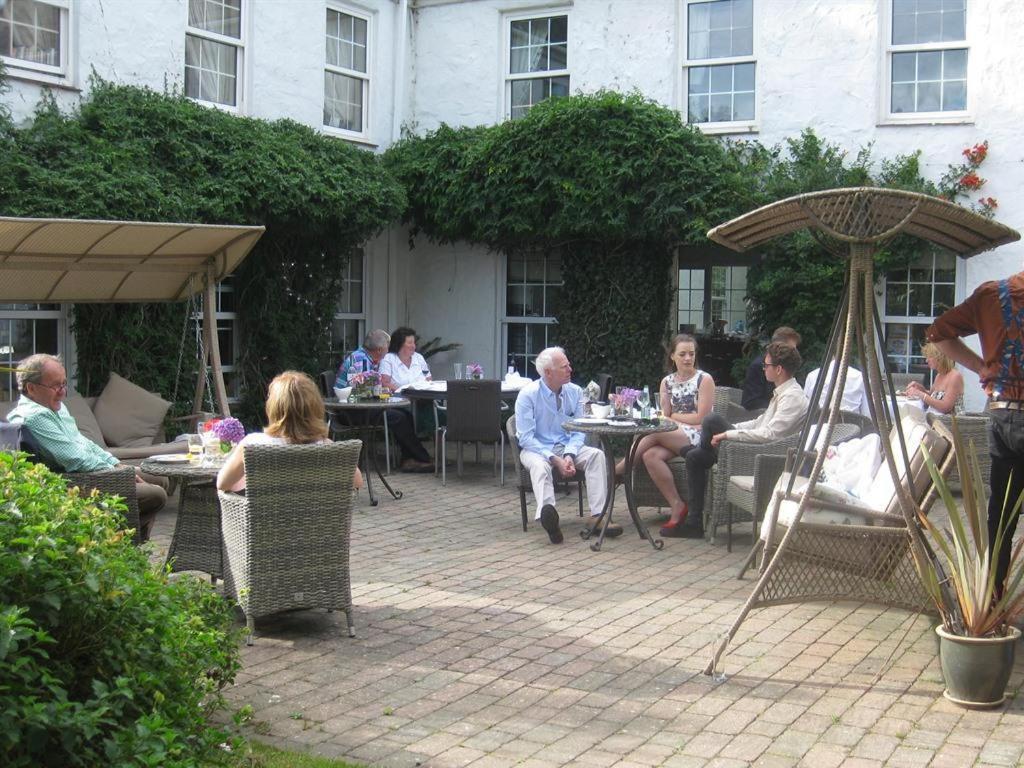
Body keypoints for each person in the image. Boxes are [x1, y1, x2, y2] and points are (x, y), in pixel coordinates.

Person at [927, 271, 1024, 591]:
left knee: (1001, 517)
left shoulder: (991, 294)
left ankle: (991, 602)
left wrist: (982, 367)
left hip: (1002, 416)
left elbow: (938, 333)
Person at [8, 354, 167, 541]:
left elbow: (84, 443)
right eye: (55, 386)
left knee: (159, 477)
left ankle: (124, 535)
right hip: (72, 483)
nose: (63, 392)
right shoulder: (34, 417)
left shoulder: (54, 407)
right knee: (156, 493)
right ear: (31, 388)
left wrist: (117, 465)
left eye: (64, 384)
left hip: (90, 474)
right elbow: (75, 459)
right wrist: (120, 474)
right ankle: (122, 539)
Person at [674, 342, 809, 538]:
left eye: (766, 365)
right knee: (695, 457)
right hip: (753, 449)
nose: (763, 368)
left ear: (778, 369)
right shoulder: (783, 392)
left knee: (710, 420)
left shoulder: (792, 397)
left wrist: (728, 434)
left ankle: (702, 449)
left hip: (763, 456)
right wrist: (731, 429)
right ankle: (694, 523)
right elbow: (759, 422)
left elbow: (770, 435)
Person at [515, 346, 619, 544]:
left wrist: (569, 455)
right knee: (540, 466)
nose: (570, 369)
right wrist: (554, 459)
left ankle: (598, 516)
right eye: (564, 367)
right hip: (535, 449)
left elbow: (580, 428)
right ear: (548, 372)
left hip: (566, 447)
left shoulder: (575, 391)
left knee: (596, 455)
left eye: (568, 364)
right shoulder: (527, 395)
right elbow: (526, 438)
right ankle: (550, 519)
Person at [613, 334, 715, 535]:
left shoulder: (704, 379)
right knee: (649, 455)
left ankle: (618, 471)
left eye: (691, 354)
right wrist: (670, 419)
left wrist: (674, 418)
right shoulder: (667, 382)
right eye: (683, 354)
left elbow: (702, 418)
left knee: (653, 430)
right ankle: (677, 505)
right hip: (672, 433)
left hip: (699, 436)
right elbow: (664, 414)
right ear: (673, 357)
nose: (688, 358)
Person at [217, 371, 363, 493]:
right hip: (316, 526)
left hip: (266, 525)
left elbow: (222, 484)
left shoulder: (252, 445)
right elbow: (357, 482)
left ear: (273, 408)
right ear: (315, 408)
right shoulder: (329, 448)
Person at [339, 329, 433, 472]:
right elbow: (359, 391)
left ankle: (409, 459)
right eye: (387, 348)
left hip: (361, 406)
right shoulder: (360, 360)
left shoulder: (368, 359)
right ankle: (423, 458)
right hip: (352, 411)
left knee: (404, 415)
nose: (388, 352)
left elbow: (368, 388)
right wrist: (380, 391)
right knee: (398, 417)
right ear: (379, 350)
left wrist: (381, 390)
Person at [741, 326, 801, 411]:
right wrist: (780, 405)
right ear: (777, 346)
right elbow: (750, 402)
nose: (794, 354)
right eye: (791, 350)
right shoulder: (758, 366)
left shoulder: (789, 364)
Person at [904, 342, 963, 415]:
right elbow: (931, 399)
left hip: (947, 424)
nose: (926, 360)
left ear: (940, 357)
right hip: (933, 420)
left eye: (929, 356)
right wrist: (920, 388)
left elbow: (946, 407)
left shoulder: (955, 376)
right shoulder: (939, 376)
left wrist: (920, 394)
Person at [803, 361, 871, 416]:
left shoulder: (812, 376)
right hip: (853, 426)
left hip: (819, 426)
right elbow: (866, 413)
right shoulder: (860, 377)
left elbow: (806, 410)